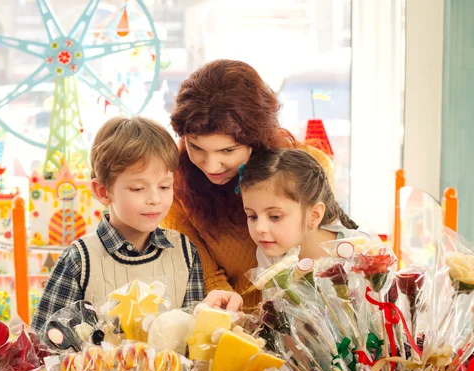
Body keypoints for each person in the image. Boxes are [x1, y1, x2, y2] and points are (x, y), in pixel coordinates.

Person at [161, 59, 334, 311]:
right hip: (233, 324)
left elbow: (326, 252)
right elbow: (204, 273)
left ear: (257, 139)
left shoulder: (309, 167)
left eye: (227, 150)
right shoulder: (175, 184)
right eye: (195, 147)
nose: (210, 165)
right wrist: (238, 317)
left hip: (309, 320)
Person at [31, 116, 205, 338]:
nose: (155, 199)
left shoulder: (184, 252)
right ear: (103, 192)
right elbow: (43, 347)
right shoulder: (79, 260)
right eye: (138, 189)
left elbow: (195, 340)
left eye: (164, 186)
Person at [239, 148, 363, 269]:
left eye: (275, 217)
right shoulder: (269, 255)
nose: (259, 228)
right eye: (253, 216)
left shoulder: (362, 251)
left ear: (313, 216)